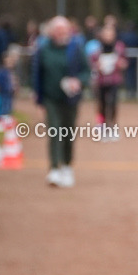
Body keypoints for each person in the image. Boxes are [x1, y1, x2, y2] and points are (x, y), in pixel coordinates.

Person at [32, 16, 90, 187]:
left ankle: (67, 165)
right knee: (54, 131)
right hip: (51, 98)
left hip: (70, 99)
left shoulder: (76, 47)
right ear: (51, 33)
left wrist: (78, 81)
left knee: (68, 132)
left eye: (65, 31)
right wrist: (39, 98)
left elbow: (86, 71)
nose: (62, 34)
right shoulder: (43, 49)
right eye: (58, 31)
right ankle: (54, 168)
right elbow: (37, 75)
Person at [90, 24, 127, 138]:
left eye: (111, 34)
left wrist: (121, 64)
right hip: (101, 80)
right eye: (106, 34)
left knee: (113, 103)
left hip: (114, 80)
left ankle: (113, 127)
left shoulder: (119, 47)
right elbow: (92, 61)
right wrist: (96, 66)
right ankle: (103, 125)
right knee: (102, 103)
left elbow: (124, 61)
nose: (108, 36)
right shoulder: (97, 48)